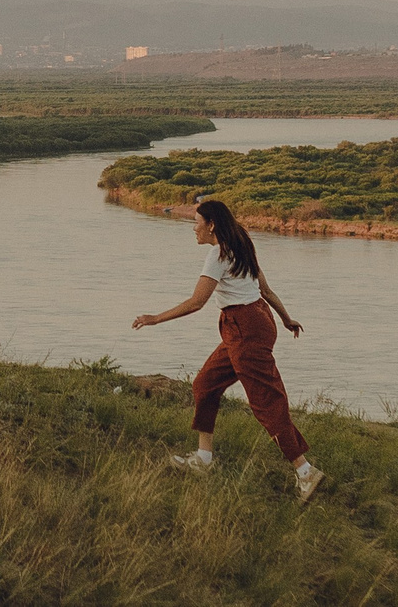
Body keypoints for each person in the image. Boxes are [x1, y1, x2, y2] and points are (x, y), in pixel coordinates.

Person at [132, 196, 324, 500]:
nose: (193, 229)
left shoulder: (218, 254)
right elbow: (264, 288)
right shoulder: (241, 241)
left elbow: (197, 302)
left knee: (265, 401)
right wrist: (286, 319)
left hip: (244, 328)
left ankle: (305, 472)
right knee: (205, 385)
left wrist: (154, 318)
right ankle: (203, 459)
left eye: (196, 222)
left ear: (211, 225)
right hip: (254, 321)